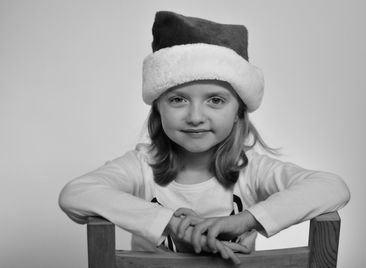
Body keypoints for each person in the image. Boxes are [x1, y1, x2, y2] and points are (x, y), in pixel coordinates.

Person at [59, 11, 350, 264]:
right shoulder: (141, 167)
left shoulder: (251, 170)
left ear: (238, 111)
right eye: (178, 100)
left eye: (215, 100)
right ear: (158, 109)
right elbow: (76, 194)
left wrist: (242, 221)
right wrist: (170, 223)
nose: (195, 116)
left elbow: (331, 187)